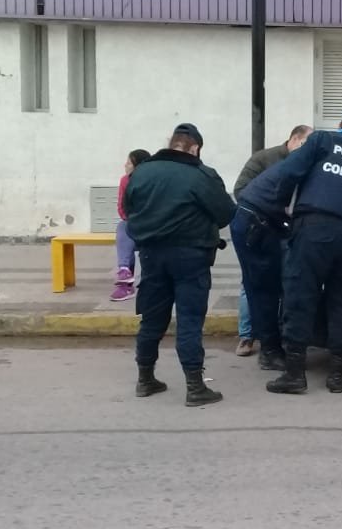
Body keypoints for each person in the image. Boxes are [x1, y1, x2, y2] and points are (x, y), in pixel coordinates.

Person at [247, 108, 342, 395]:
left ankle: (294, 375)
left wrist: (278, 211)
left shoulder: (322, 141)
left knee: (300, 296)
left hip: (314, 229)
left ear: (341, 126)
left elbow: (288, 173)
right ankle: (337, 375)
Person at [123, 123, 237, 406]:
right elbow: (225, 213)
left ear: (170, 143)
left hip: (151, 255)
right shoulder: (201, 176)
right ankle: (195, 387)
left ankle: (145, 379)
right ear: (195, 148)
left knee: (151, 318)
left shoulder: (142, 172)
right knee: (189, 320)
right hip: (190, 257)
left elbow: (128, 209)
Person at [231, 124, 313, 367]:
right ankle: (254, 340)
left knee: (283, 285)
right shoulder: (264, 158)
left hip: (281, 230)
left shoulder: (304, 164)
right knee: (257, 289)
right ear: (295, 139)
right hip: (258, 228)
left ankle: (278, 339)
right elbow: (240, 190)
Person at [110, 148, 150, 302]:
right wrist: (134, 220)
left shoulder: (152, 181)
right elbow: (121, 208)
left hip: (152, 225)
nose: (125, 165)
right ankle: (125, 272)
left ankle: (127, 282)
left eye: (128, 163)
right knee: (123, 227)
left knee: (126, 231)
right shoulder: (124, 181)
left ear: (138, 166)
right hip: (133, 224)